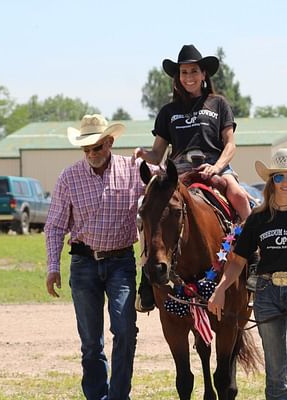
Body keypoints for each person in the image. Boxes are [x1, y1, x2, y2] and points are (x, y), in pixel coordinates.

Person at [134, 44, 252, 312]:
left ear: (203, 74)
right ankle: (146, 274)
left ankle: (255, 257)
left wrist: (218, 166)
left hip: (215, 167)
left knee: (240, 196)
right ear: (178, 76)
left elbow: (230, 144)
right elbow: (157, 152)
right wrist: (144, 153)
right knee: (148, 209)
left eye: (193, 71)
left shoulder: (218, 104)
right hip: (179, 173)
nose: (188, 76)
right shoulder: (168, 112)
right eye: (184, 72)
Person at [208, 148, 287, 400]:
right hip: (266, 294)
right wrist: (220, 289)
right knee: (275, 372)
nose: (285, 182)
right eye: (279, 177)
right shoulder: (258, 218)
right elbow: (237, 261)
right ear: (271, 181)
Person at [45, 114, 153, 400]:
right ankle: (96, 396)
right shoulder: (68, 177)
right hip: (83, 264)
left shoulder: (133, 169)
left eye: (98, 147)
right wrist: (52, 267)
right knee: (91, 342)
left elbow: (165, 178)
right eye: (87, 149)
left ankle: (119, 396)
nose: (92, 154)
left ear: (110, 142)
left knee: (125, 330)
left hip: (121, 262)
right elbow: (55, 225)